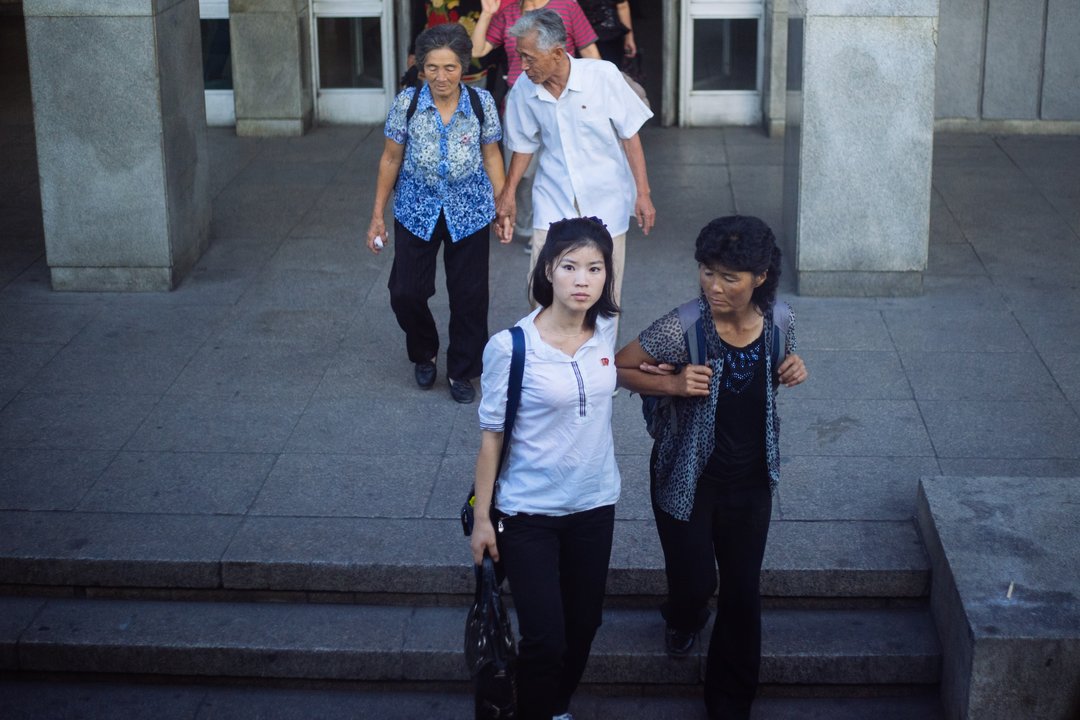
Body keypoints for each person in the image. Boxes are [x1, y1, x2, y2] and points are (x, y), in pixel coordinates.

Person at [614, 216, 807, 720]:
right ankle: (683, 616)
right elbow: (619, 366)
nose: (714, 287)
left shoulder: (781, 321)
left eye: (729, 278)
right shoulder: (684, 326)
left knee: (743, 594)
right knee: (694, 581)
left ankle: (730, 703)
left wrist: (793, 367)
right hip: (686, 480)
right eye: (707, 272)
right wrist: (673, 386)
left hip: (751, 483)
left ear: (760, 277)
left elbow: (780, 369)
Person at [470, 217, 621, 720]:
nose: (583, 279)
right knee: (545, 639)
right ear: (548, 272)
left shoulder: (604, 336)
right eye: (570, 266)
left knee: (585, 627)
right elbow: (491, 439)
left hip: (594, 505)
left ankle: (553, 706)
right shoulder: (511, 347)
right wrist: (483, 519)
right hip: (528, 511)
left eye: (595, 268)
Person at [366, 23, 507, 404]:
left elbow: (492, 155)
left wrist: (503, 204)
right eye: (432, 68)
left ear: (464, 67)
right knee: (405, 292)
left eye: (450, 68)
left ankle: (462, 370)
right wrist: (378, 214)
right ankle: (424, 350)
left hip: (470, 210)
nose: (441, 77)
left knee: (470, 296)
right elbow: (390, 158)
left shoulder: (481, 103)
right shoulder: (407, 103)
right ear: (420, 67)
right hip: (416, 208)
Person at [497, 9, 655, 335]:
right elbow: (523, 146)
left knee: (605, 293)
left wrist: (643, 193)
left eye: (529, 58)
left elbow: (630, 135)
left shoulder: (603, 76)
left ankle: (599, 371)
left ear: (557, 53)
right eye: (520, 57)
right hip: (552, 196)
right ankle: (550, 362)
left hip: (606, 196)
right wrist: (508, 195)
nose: (523, 67)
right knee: (539, 289)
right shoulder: (524, 91)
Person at [471, 0, 602, 245]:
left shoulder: (567, 6)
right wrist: (487, 14)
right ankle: (531, 227)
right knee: (524, 172)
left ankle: (562, 226)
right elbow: (477, 51)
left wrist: (596, 95)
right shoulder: (508, 12)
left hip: (563, 99)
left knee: (564, 164)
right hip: (520, 101)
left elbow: (590, 53)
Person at [577, 0, 636, 66]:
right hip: (610, 35)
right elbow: (622, 6)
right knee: (612, 70)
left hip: (584, 35)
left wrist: (629, 37)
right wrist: (628, 37)